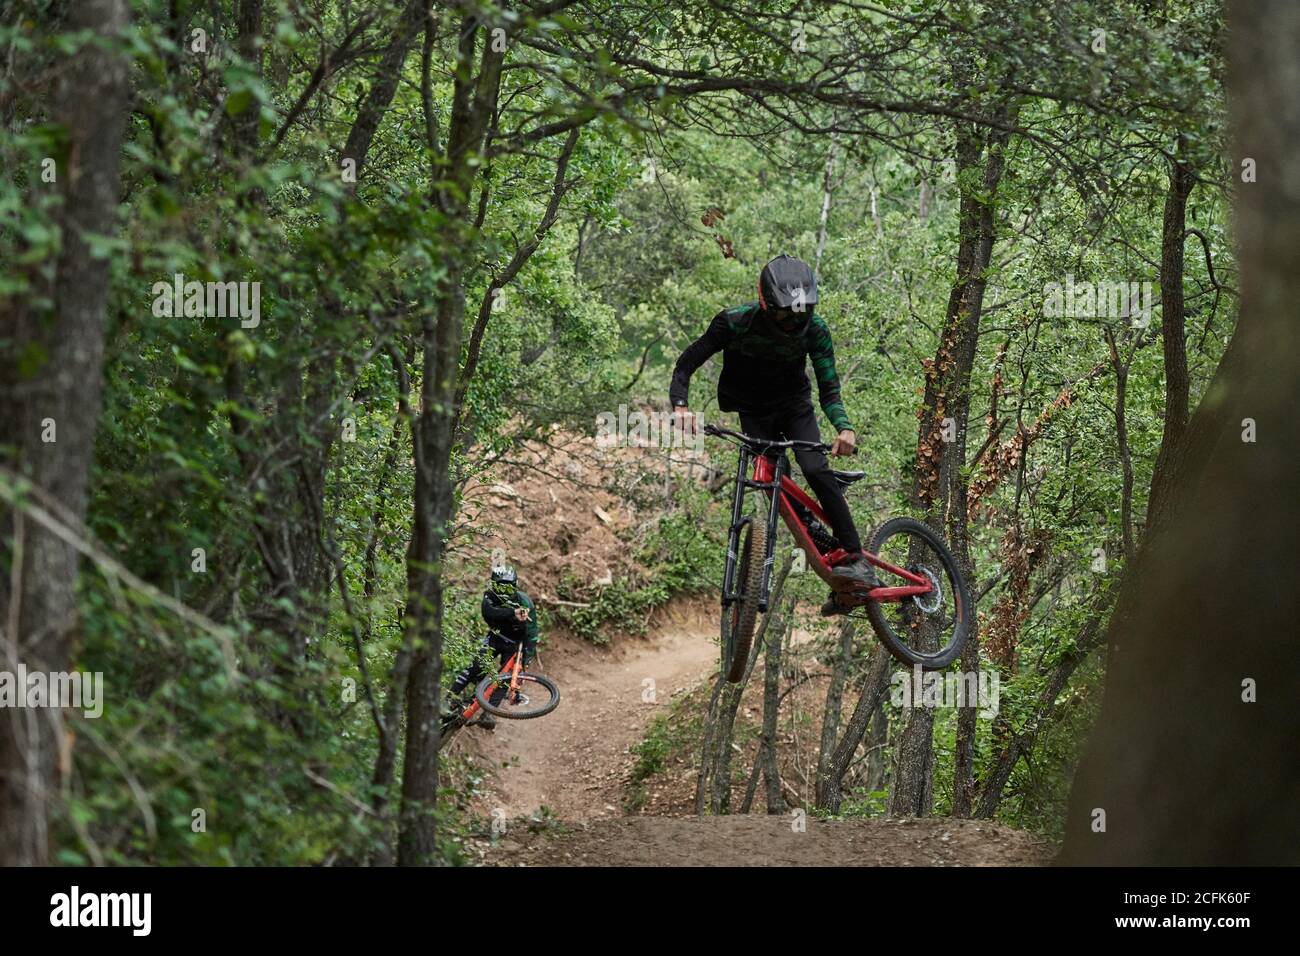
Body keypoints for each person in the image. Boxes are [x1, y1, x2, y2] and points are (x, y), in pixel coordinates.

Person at [670, 254, 876, 615]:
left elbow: (829, 388)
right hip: (753, 410)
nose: (792, 322)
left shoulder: (816, 330)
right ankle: (828, 558)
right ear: (766, 304)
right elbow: (688, 362)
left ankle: (856, 557)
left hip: (795, 407)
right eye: (784, 313)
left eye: (800, 313)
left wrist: (845, 427)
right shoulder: (734, 322)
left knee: (814, 469)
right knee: (772, 484)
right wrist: (680, 406)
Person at [443, 566, 539, 731]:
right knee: (476, 667)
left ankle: (489, 713)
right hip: (495, 639)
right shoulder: (489, 597)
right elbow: (490, 613)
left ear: (515, 585)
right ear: (493, 585)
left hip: (515, 645)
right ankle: (448, 700)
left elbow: (532, 632)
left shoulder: (524, 602)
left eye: (508, 586)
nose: (504, 590)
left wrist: (527, 657)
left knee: (505, 678)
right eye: (500, 586)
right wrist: (512, 612)